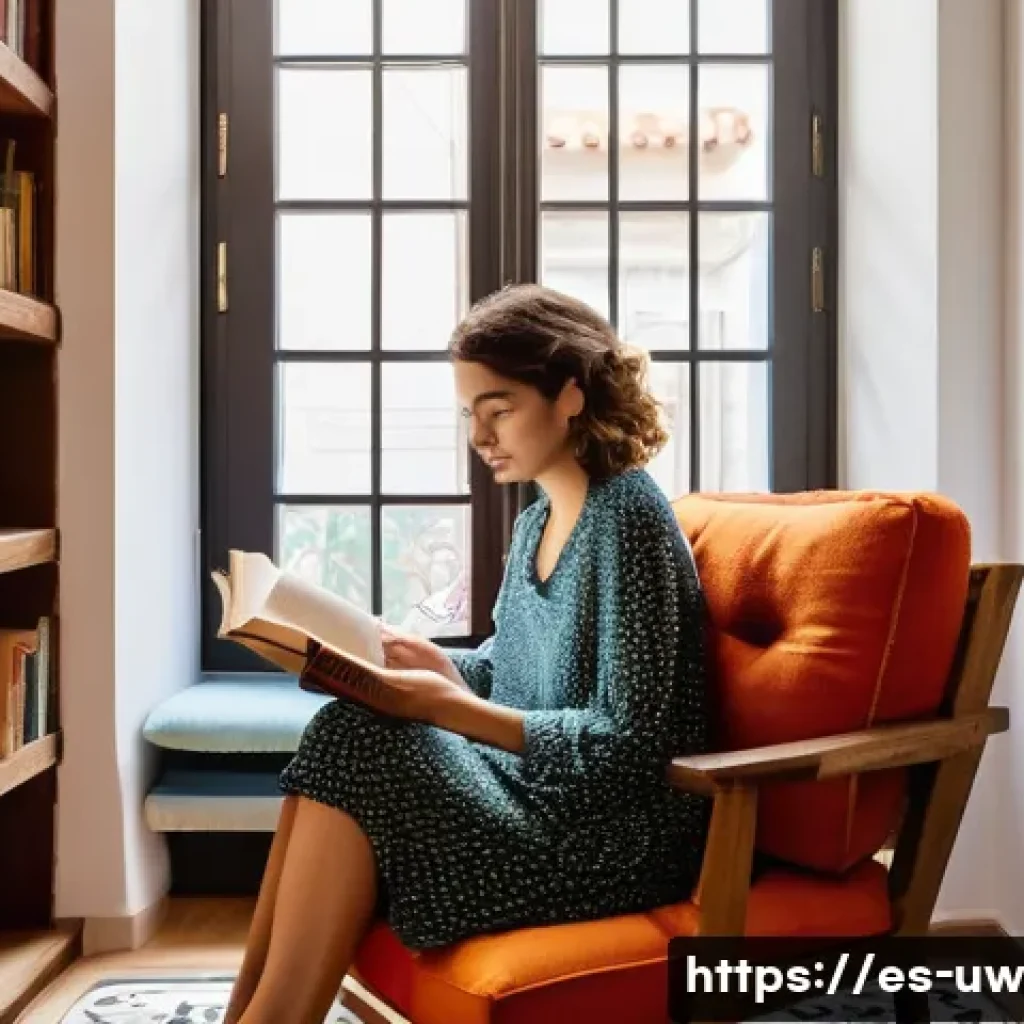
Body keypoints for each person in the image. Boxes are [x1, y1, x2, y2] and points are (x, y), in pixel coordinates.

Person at [224, 283, 713, 1024]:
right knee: (343, 727)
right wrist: (445, 668)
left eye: (499, 409)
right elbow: (518, 671)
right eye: (469, 415)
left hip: (613, 838)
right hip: (538, 794)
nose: (480, 436)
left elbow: (629, 744)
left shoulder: (629, 519)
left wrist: (447, 707)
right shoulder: (537, 520)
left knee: (360, 746)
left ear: (571, 395)